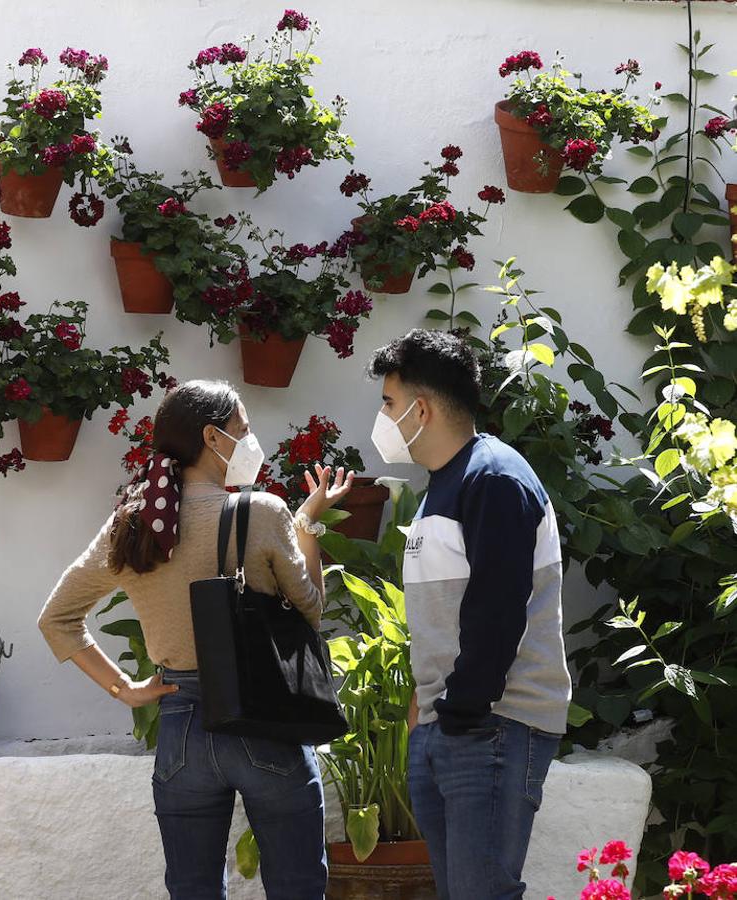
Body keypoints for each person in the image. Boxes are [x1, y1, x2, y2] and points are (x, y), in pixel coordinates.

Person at [37, 379, 353, 900]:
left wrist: (126, 690)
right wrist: (308, 524)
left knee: (192, 889)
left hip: (181, 724)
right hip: (265, 717)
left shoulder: (133, 523)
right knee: (297, 887)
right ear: (212, 437)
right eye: (243, 431)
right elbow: (311, 612)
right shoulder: (262, 512)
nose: (251, 442)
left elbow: (58, 617)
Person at [367, 329, 571, 900]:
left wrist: (460, 713)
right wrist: (423, 721)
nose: (382, 417)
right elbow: (443, 621)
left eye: (388, 402)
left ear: (421, 408)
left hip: (491, 728)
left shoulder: (494, 479)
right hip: (450, 728)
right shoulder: (446, 485)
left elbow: (497, 610)